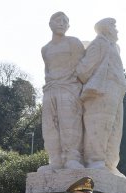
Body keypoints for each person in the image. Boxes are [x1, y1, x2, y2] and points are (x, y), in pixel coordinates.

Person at [76, 17, 126, 174]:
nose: (117, 30)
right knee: (98, 126)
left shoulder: (114, 47)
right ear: (106, 29)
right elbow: (83, 70)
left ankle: (109, 164)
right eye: (114, 27)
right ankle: (95, 160)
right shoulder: (99, 43)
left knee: (114, 130)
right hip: (101, 92)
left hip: (116, 93)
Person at [40, 11, 85, 171]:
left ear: (68, 26)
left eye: (65, 21)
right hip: (50, 88)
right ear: (50, 23)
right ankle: (55, 160)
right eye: (58, 20)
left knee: (69, 124)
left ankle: (72, 158)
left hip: (69, 88)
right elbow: (47, 70)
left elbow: (82, 67)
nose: (62, 23)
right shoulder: (45, 49)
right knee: (49, 126)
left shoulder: (74, 42)